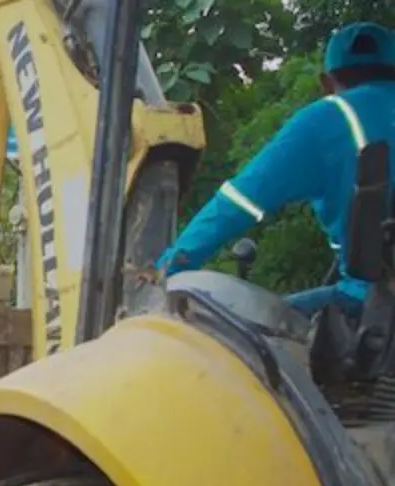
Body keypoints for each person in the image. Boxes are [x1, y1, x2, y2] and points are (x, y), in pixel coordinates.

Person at [156, 22, 395, 317]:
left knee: (257, 333)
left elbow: (239, 202)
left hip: (373, 304)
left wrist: (169, 267)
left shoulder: (326, 120)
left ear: (326, 82)